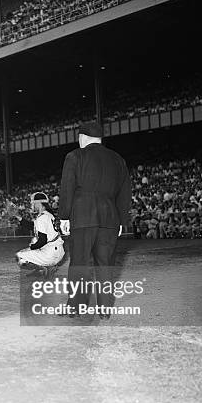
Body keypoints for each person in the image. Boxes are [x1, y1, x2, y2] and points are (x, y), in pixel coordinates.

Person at [58, 121, 131, 319]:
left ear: (82, 138)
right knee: (105, 264)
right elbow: (125, 193)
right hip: (110, 217)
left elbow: (67, 187)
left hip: (82, 215)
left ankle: (76, 306)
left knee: (80, 263)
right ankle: (105, 310)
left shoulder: (74, 156)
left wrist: (64, 216)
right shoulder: (118, 159)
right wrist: (122, 221)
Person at [14, 192, 66, 277]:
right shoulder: (49, 215)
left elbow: (42, 241)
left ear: (39, 203)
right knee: (34, 241)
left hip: (50, 254)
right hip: (58, 251)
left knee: (19, 256)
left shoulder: (42, 218)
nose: (32, 204)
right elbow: (33, 226)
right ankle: (44, 269)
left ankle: (43, 268)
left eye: (33, 202)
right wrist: (19, 218)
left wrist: (29, 248)